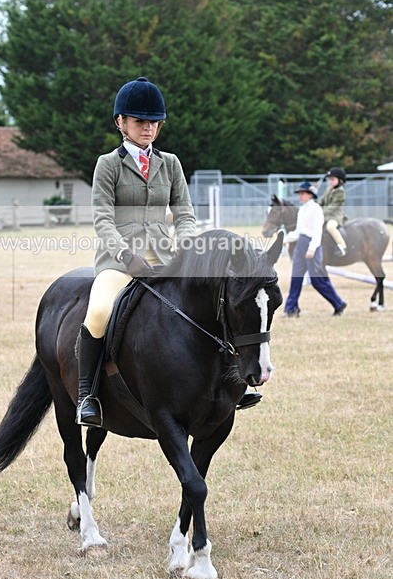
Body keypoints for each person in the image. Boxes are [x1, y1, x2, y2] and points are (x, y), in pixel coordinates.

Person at [77, 76, 259, 427]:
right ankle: (88, 395)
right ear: (121, 123)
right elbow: (102, 218)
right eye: (140, 121)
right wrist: (126, 256)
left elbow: (185, 213)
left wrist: (189, 246)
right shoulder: (108, 164)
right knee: (99, 312)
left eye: (154, 122)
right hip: (119, 261)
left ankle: (235, 382)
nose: (148, 128)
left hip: (165, 258)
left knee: (213, 304)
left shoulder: (171, 163)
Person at [284, 181, 347, 318]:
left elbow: (317, 231)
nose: (300, 196)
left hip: (312, 245)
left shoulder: (316, 209)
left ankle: (338, 303)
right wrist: (285, 239)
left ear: (310, 195)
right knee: (296, 277)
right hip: (301, 243)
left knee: (317, 281)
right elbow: (299, 231)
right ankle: (291, 308)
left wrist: (312, 248)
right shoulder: (302, 210)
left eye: (302, 193)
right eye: (299, 193)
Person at [319, 167, 347, 257]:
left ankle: (342, 246)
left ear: (340, 181)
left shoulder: (340, 192)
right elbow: (321, 201)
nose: (330, 181)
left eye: (332, 179)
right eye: (329, 179)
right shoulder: (328, 189)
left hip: (335, 216)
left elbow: (332, 207)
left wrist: (320, 213)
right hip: (325, 215)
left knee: (330, 227)